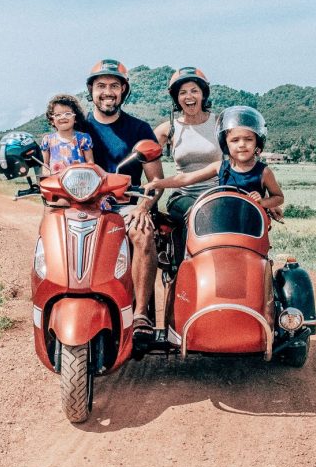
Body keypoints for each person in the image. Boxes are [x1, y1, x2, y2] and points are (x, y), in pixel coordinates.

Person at [80, 59, 164, 341]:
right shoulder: (78, 128)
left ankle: (140, 314)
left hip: (127, 205)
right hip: (84, 205)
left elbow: (155, 182)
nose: (108, 92)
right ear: (91, 91)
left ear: (124, 90)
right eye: (101, 85)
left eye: (114, 86)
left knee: (143, 234)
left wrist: (143, 206)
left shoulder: (139, 129)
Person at [144, 105, 284, 214]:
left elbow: (278, 197)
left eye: (248, 139)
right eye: (235, 140)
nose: (242, 144)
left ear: (257, 143)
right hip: (223, 221)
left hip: (251, 227)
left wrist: (263, 202)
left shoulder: (264, 172)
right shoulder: (220, 166)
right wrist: (157, 183)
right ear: (225, 144)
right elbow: (186, 178)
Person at [153, 67, 221, 267]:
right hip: (183, 195)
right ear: (176, 98)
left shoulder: (220, 123)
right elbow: (143, 154)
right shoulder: (168, 129)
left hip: (217, 193)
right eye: (182, 92)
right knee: (196, 212)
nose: (189, 96)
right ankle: (182, 266)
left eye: (194, 90)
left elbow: (242, 153)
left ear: (203, 94)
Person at [40, 93, 93, 173]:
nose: (63, 117)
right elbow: (45, 165)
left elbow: (91, 164)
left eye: (68, 114)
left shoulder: (83, 139)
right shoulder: (47, 140)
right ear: (52, 120)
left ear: (76, 118)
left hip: (81, 181)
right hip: (56, 183)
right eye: (58, 115)